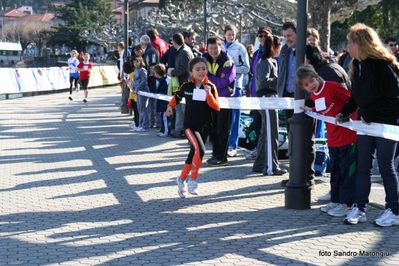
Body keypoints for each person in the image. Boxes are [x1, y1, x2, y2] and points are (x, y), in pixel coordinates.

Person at [337, 23, 399, 227]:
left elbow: (394, 98)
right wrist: (344, 112)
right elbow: (356, 97)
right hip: (366, 125)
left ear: (360, 44)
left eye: (350, 42)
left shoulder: (384, 65)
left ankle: (393, 210)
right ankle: (360, 207)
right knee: (362, 166)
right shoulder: (357, 66)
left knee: (386, 167)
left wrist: (369, 114)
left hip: (387, 125)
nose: (347, 47)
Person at [296, 64, 357, 217]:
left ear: (316, 76)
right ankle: (336, 201)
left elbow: (352, 103)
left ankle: (348, 204)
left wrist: (352, 122)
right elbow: (323, 109)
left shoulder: (332, 86)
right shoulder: (314, 95)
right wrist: (312, 110)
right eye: (306, 84)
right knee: (335, 172)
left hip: (348, 137)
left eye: (311, 80)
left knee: (346, 172)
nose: (311, 85)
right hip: (333, 139)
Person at [166, 57, 220, 197]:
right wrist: (170, 107)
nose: (201, 72)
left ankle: (181, 179)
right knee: (200, 149)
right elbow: (176, 97)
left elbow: (216, 107)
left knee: (193, 154)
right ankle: (193, 181)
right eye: (197, 69)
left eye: (204, 68)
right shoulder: (186, 87)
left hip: (205, 126)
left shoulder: (211, 87)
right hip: (189, 126)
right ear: (191, 72)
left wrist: (208, 95)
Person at [277, 21, 316, 188]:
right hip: (288, 98)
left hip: (306, 98)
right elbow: (282, 72)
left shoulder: (309, 49)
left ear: (298, 34)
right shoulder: (285, 50)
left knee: (307, 138)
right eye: (285, 36)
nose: (287, 39)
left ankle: (308, 175)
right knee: (292, 138)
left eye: (290, 36)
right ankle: (295, 175)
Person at [252, 35, 287, 176]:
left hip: (270, 99)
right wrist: (280, 80)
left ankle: (260, 164)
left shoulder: (271, 61)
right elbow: (262, 82)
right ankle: (271, 167)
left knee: (265, 132)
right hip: (267, 98)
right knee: (272, 133)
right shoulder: (266, 62)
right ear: (274, 47)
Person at [204, 37, 236, 166]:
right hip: (210, 98)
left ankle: (222, 158)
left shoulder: (227, 61)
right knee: (212, 128)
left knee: (223, 129)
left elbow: (226, 82)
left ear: (220, 47)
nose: (213, 51)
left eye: (215, 48)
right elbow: (199, 75)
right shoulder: (204, 58)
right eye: (210, 48)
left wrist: (209, 79)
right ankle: (215, 154)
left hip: (224, 99)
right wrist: (215, 78)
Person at [222, 24, 250, 158]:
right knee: (222, 116)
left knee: (234, 117)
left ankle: (233, 145)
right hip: (222, 87)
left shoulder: (240, 48)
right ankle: (222, 143)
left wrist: (232, 71)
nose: (231, 37)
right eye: (229, 34)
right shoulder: (220, 47)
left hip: (236, 86)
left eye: (233, 34)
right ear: (224, 35)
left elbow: (247, 68)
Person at [246, 27, 273, 161]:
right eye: (260, 36)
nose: (262, 38)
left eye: (265, 36)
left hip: (268, 95)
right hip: (255, 94)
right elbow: (253, 73)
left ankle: (266, 152)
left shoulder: (273, 53)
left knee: (266, 124)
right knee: (257, 122)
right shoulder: (256, 54)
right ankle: (257, 148)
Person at [167, 33, 194, 138]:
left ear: (174, 42)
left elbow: (185, 69)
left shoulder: (183, 52)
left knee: (182, 108)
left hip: (184, 83)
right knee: (180, 108)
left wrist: (173, 72)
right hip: (182, 83)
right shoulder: (183, 50)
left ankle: (183, 130)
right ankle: (180, 129)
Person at [132, 56, 150, 131]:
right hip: (138, 92)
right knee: (139, 109)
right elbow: (134, 81)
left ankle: (145, 126)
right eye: (134, 62)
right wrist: (133, 88)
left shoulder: (142, 70)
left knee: (143, 109)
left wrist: (137, 88)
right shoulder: (136, 70)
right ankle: (140, 124)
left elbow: (144, 81)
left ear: (141, 62)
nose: (136, 64)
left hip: (143, 91)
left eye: (137, 62)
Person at [154, 63, 170, 137]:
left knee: (165, 117)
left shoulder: (167, 80)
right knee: (162, 116)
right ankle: (162, 129)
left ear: (157, 73)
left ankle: (165, 131)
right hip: (161, 101)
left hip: (165, 102)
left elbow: (167, 92)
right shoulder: (159, 80)